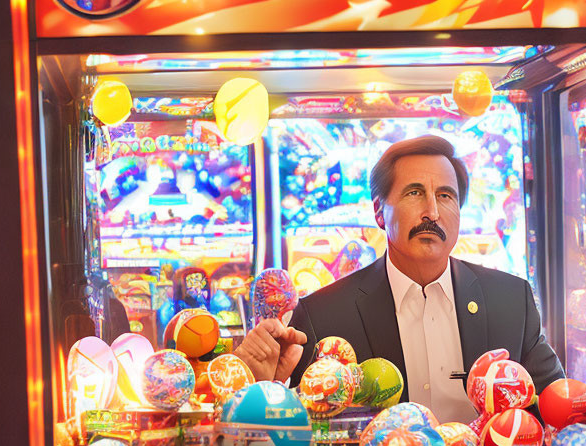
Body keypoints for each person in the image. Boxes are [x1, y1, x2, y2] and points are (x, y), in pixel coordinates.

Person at [235, 135, 563, 423]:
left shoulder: (510, 301)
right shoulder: (324, 316)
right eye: (414, 193)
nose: (432, 212)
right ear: (379, 212)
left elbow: (554, 407)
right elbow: (301, 430)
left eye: (446, 196)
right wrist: (264, 386)